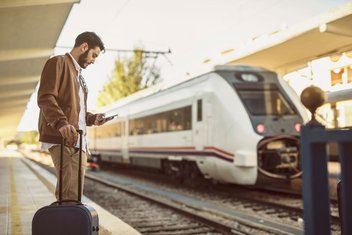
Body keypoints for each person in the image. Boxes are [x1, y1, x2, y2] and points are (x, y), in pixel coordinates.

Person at [37, 32, 110, 201]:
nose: (93, 60)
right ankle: (65, 227)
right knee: (69, 196)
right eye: (93, 55)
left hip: (78, 141)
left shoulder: (78, 76)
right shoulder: (58, 63)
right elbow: (45, 97)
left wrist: (92, 118)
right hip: (65, 139)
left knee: (74, 196)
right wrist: (61, 123)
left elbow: (75, 111)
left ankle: (70, 226)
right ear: (84, 47)